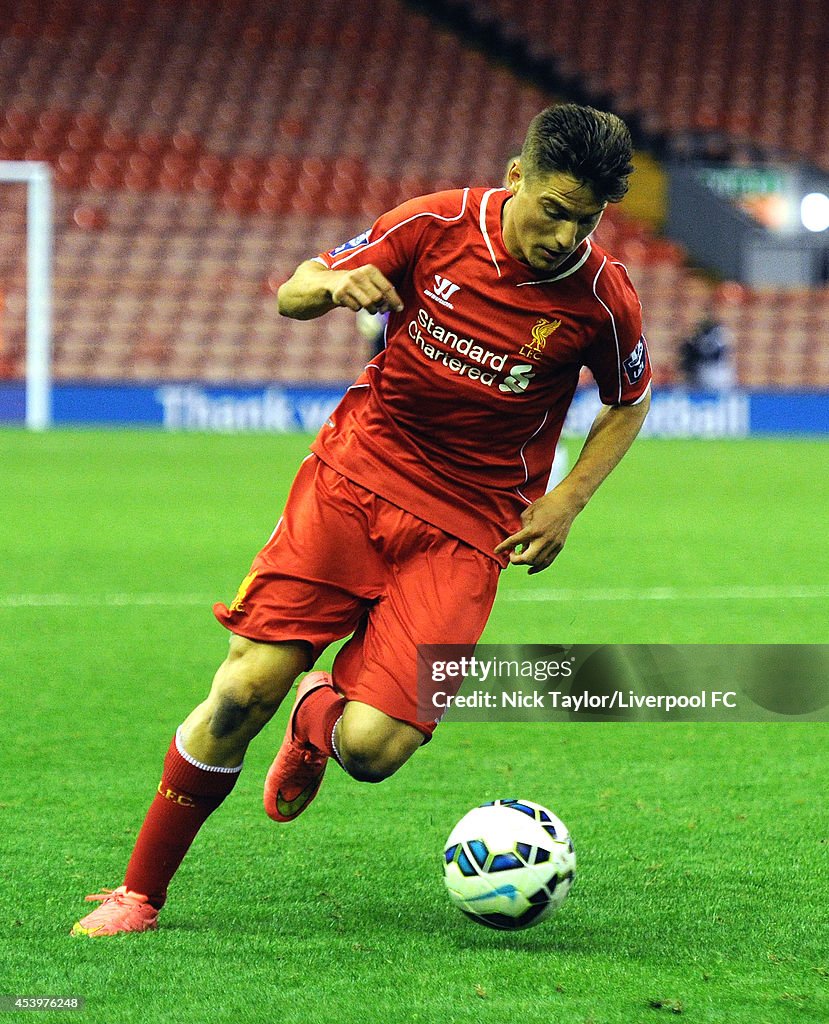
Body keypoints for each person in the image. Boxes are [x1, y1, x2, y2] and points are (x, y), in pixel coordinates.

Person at [71, 102, 652, 936]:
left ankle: (316, 714)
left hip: (468, 529)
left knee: (374, 751)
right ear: (515, 177)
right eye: (552, 210)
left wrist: (566, 500)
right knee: (240, 692)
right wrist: (334, 283)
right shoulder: (432, 224)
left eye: (584, 220)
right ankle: (138, 894)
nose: (564, 236)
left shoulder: (603, 298)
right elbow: (292, 292)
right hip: (352, 482)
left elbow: (626, 403)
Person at [678, 304, 736, 391]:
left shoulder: (719, 331)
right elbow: (687, 352)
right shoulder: (698, 334)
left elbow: (714, 353)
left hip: (717, 370)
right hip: (700, 371)